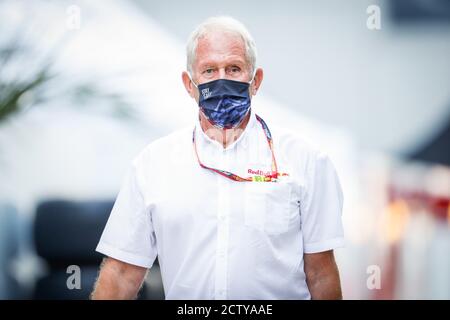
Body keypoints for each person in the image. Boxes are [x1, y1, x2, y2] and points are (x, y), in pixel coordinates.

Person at [91, 16, 344, 300]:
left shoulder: (307, 161)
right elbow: (122, 273)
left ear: (255, 81)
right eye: (209, 70)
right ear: (189, 84)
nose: (221, 80)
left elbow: (321, 274)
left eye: (234, 69)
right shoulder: (152, 165)